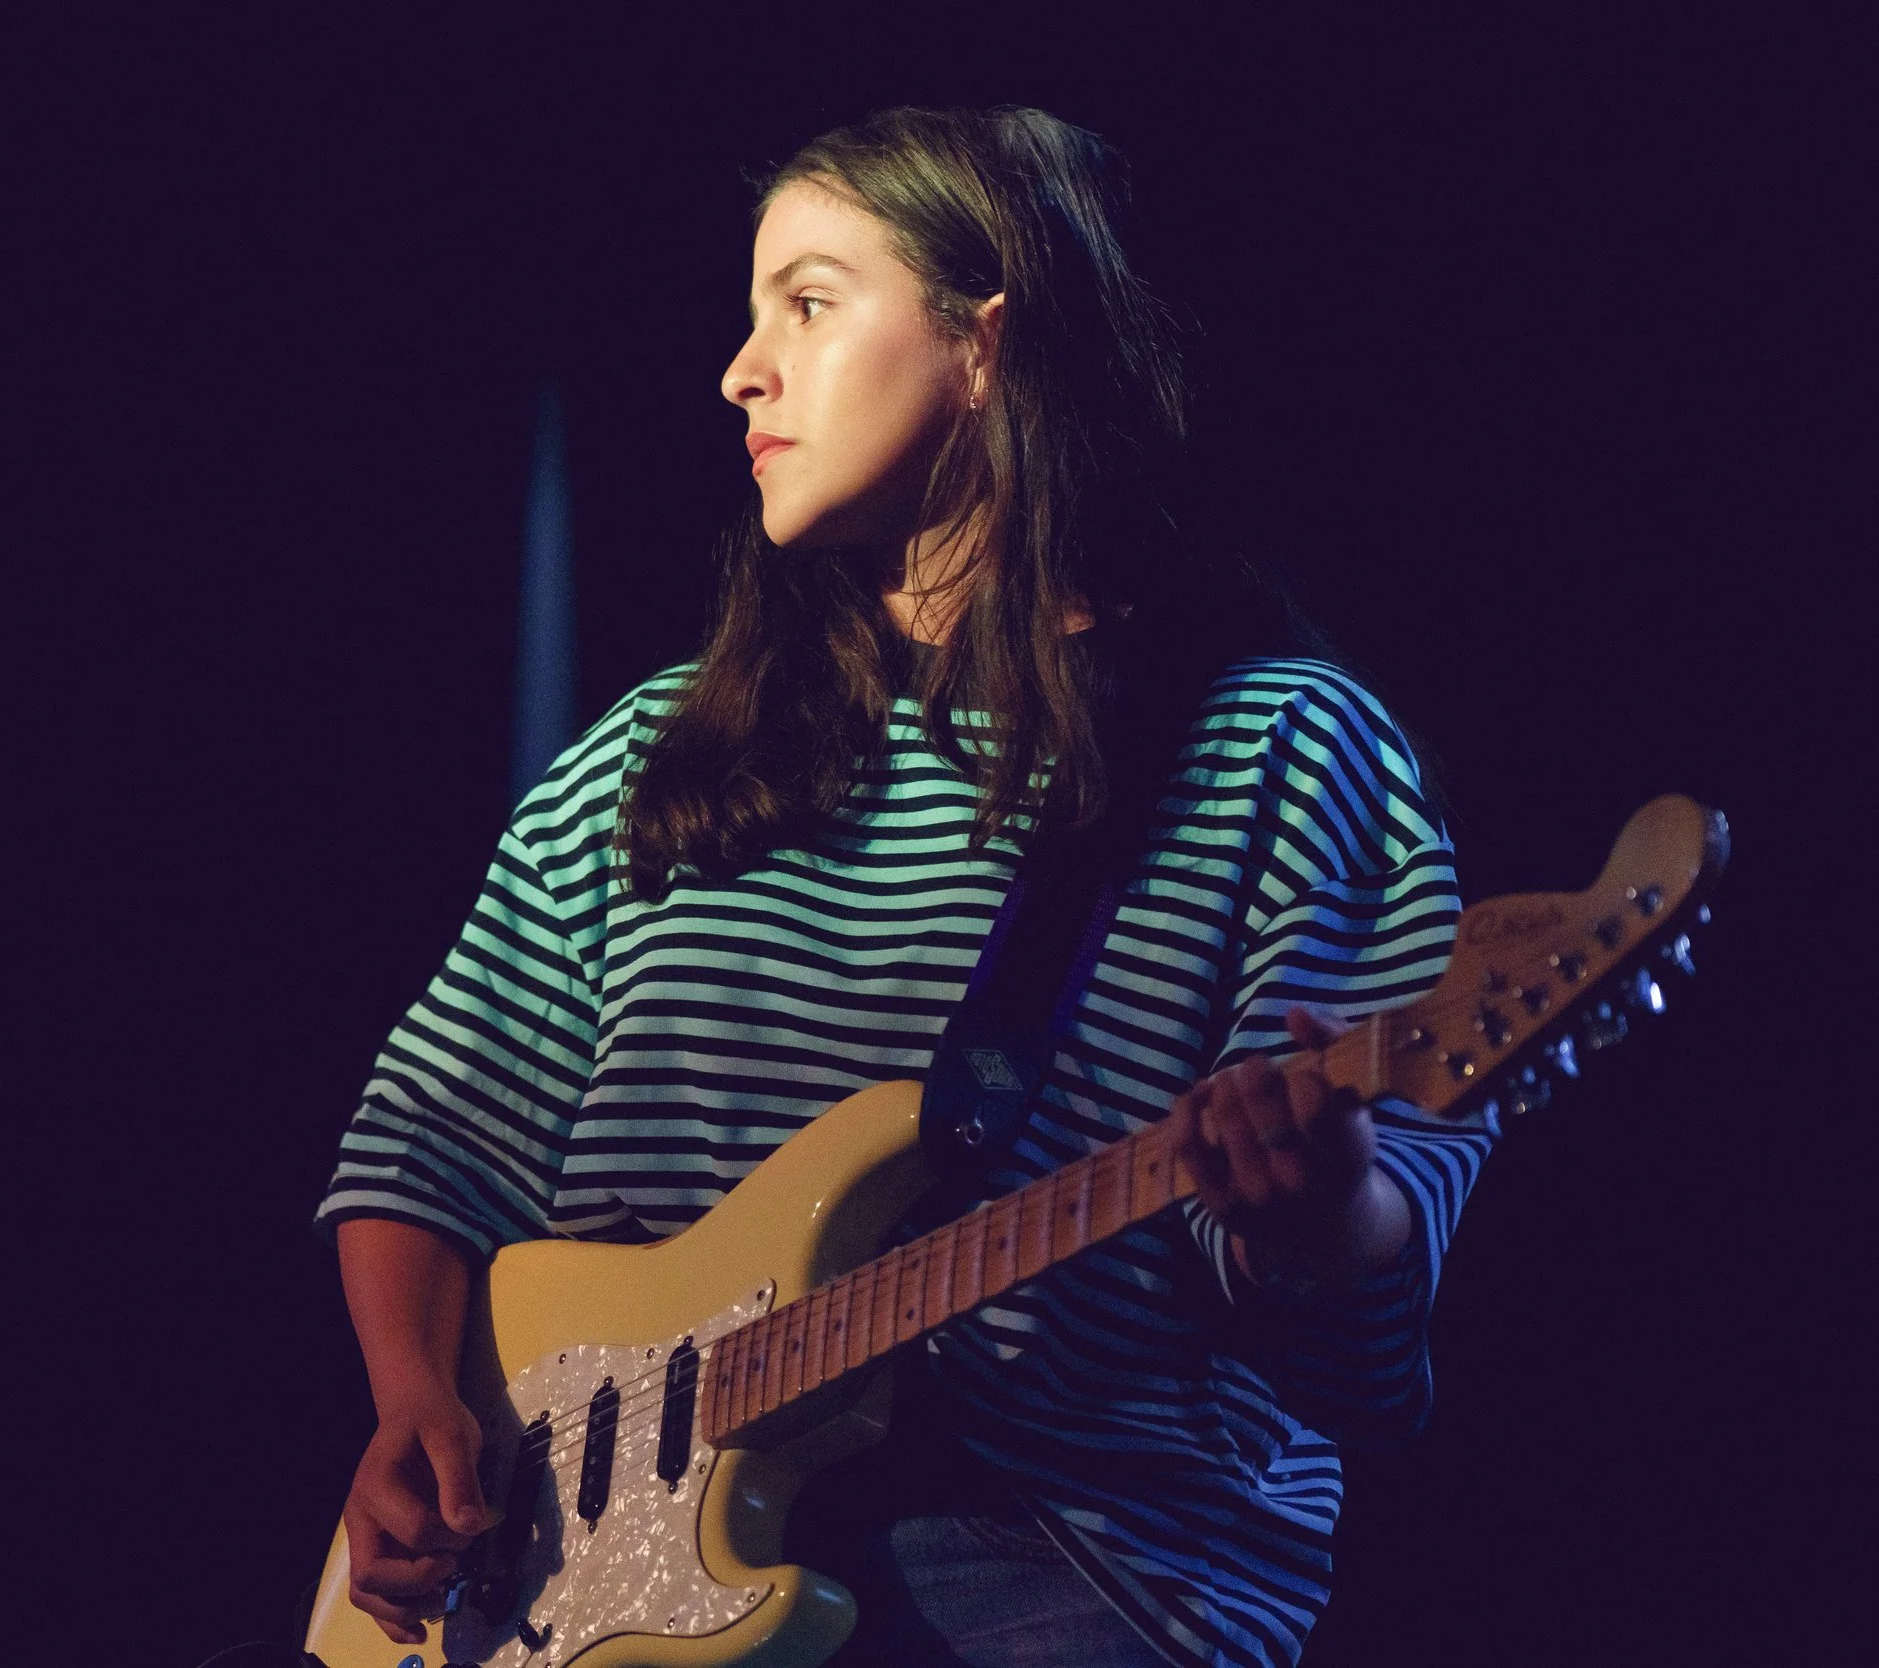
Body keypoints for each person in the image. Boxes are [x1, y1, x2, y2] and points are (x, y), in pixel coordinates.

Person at [315, 105, 1492, 1668]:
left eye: (807, 303)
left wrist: (1322, 1207)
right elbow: (433, 1139)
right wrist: (414, 1404)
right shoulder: (643, 756)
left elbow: (1362, 1358)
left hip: (1052, 1556)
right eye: (749, 318)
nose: (743, 369)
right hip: (551, 1583)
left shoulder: (1271, 745)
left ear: (986, 342)